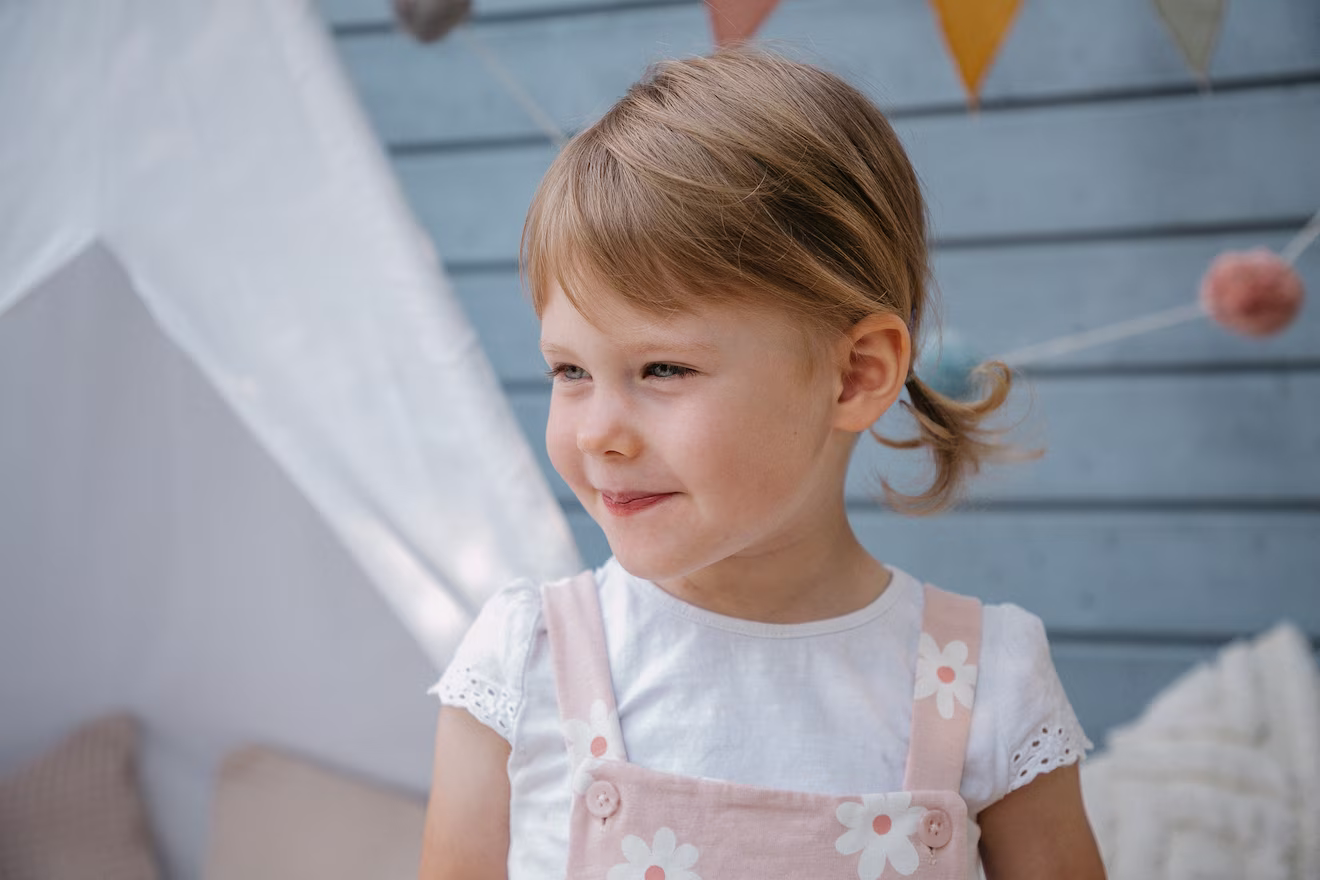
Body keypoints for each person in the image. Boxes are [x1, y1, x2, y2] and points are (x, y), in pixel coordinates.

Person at [419, 47, 1106, 880]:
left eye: (662, 369)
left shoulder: (988, 680)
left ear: (854, 376)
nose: (599, 431)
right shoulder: (522, 662)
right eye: (570, 372)